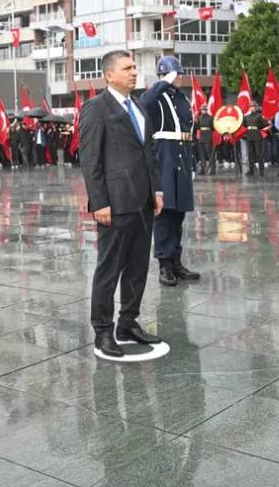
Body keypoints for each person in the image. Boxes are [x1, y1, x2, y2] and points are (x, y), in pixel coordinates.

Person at [79, 50, 163, 359]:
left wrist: (157, 190)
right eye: (127, 68)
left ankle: (128, 322)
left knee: (138, 265)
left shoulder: (139, 106)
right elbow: (90, 160)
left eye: (134, 67)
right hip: (114, 203)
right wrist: (99, 202)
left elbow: (148, 152)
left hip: (143, 200)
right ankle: (103, 330)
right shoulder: (95, 108)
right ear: (109, 75)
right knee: (109, 269)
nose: (134, 72)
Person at [140, 56, 200, 289]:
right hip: (163, 158)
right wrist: (165, 82)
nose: (180, 77)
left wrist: (192, 165)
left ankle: (176, 260)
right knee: (163, 214)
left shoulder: (183, 99)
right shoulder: (156, 96)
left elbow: (187, 133)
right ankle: (164, 264)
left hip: (183, 157)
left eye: (180, 73)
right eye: (176, 73)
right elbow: (144, 102)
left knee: (179, 215)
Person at [241, 100, 268, 177]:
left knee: (259, 154)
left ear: (256, 108)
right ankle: (251, 170)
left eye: (253, 107)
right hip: (249, 137)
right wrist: (245, 135)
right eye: (251, 107)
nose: (252, 108)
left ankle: (261, 170)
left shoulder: (259, 116)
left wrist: (260, 129)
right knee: (250, 154)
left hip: (257, 137)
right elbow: (243, 126)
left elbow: (265, 124)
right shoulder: (246, 117)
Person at [195, 105, 214, 175]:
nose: (203, 111)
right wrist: (196, 122)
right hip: (201, 137)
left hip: (208, 136)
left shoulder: (210, 117)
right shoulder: (199, 118)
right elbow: (197, 128)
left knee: (210, 154)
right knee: (202, 154)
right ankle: (202, 169)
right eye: (202, 110)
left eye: (204, 110)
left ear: (206, 110)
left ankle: (212, 169)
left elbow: (213, 127)